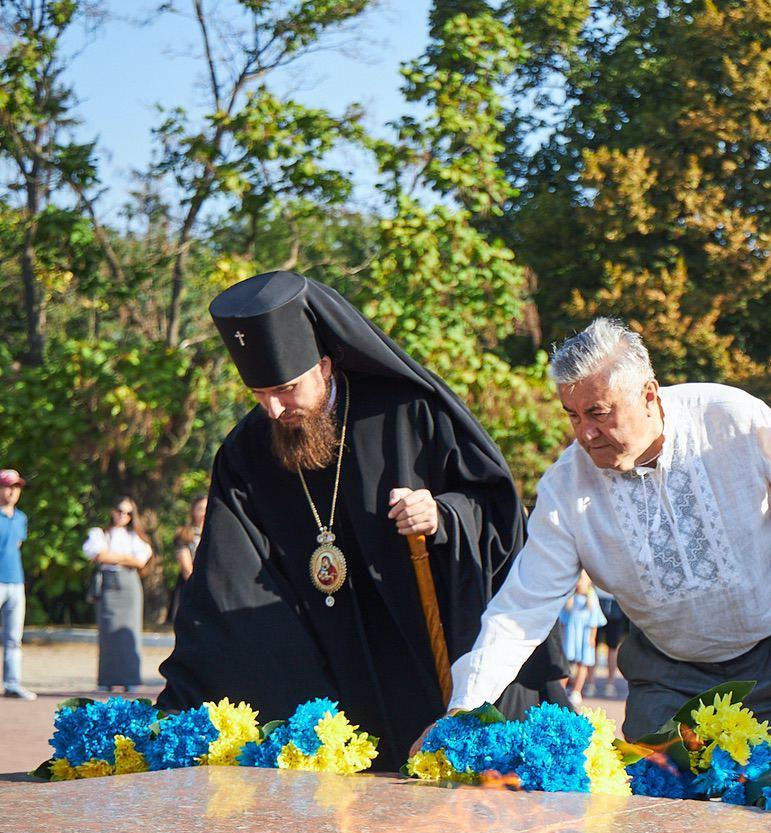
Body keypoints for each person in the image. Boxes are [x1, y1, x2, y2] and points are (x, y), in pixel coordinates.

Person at [156, 270, 568, 771]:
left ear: (325, 366)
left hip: (424, 648)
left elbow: (494, 507)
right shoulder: (246, 451)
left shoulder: (409, 411)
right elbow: (227, 577)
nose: (274, 408)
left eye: (286, 389)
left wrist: (442, 515)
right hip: (332, 666)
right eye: (258, 393)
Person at [444, 318, 771, 750]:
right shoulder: (566, 488)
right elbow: (522, 609)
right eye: (573, 416)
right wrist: (464, 711)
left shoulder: (732, 418)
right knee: (653, 812)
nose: (585, 433)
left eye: (599, 413)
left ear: (649, 395)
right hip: (665, 676)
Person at [83, 497, 154, 692]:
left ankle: (130, 679)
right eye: (119, 510)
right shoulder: (100, 533)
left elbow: (140, 561)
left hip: (129, 585)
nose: (123, 516)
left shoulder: (135, 536)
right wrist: (125, 558)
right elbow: (99, 555)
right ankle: (106, 679)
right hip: (108, 584)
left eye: (128, 513)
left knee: (130, 632)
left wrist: (114, 558)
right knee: (108, 633)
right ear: (112, 511)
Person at [0, 469, 35, 700]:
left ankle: (12, 683)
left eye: (17, 487)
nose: (12, 491)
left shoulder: (21, 517)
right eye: (8, 486)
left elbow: (17, 545)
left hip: (16, 581)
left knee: (14, 638)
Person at [560, 572, 608, 704]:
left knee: (583, 664)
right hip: (570, 636)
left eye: (581, 579)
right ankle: (561, 689)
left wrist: (592, 638)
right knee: (566, 664)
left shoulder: (592, 599)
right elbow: (563, 620)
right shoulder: (570, 598)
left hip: (584, 636)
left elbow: (594, 621)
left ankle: (576, 691)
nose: (578, 582)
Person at [166, 497, 207, 624]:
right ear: (193, 511)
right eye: (200, 509)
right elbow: (186, 568)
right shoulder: (185, 534)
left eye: (207, 508)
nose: (204, 513)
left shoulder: (218, 534)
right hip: (191, 585)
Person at [593, 585, 628, 698]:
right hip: (596, 599)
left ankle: (610, 683)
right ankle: (590, 682)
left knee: (613, 646)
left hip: (616, 601)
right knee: (593, 644)